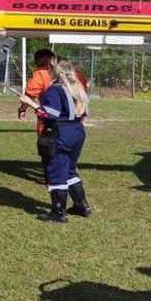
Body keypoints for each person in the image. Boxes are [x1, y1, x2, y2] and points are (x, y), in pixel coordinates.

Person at [28, 59, 91, 222]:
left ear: (55, 71)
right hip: (77, 131)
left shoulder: (54, 90)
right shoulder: (77, 88)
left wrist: (30, 104)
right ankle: (81, 206)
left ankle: (58, 213)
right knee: (69, 169)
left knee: (56, 171)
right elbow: (84, 114)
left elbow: (50, 114)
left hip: (60, 132)